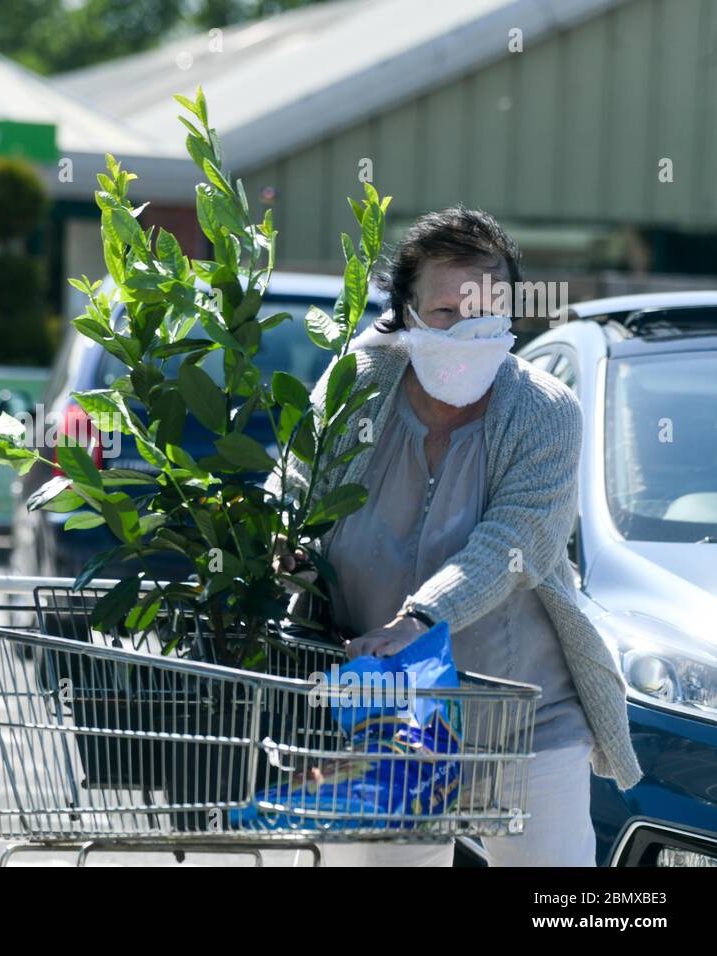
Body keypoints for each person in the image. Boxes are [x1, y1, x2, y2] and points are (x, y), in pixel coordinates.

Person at [270, 206, 641, 866]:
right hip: (388, 718)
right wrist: (281, 538)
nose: (468, 330)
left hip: (524, 720)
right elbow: (294, 483)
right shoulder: (358, 384)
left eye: (487, 310)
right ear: (407, 316)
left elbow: (513, 542)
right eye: (445, 312)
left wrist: (422, 617)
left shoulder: (545, 411)